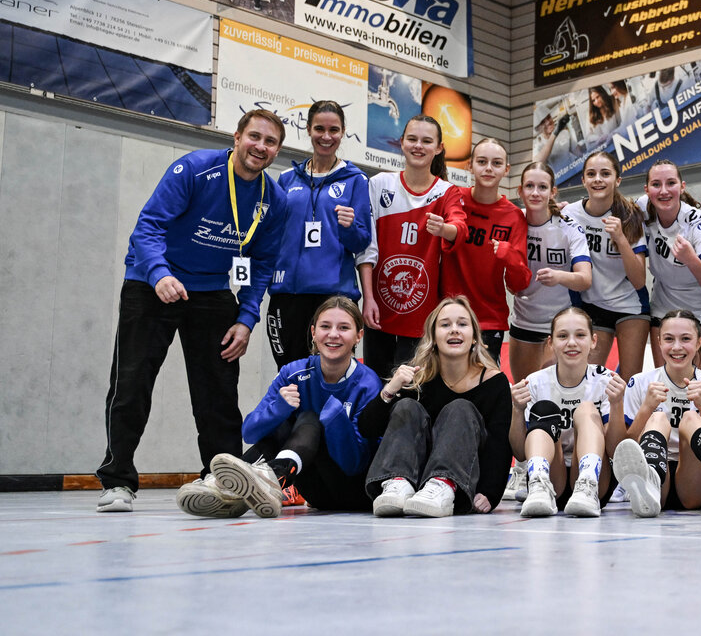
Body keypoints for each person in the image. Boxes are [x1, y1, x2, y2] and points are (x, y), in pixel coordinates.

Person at [96, 110, 289, 513]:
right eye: (254, 136)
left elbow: (262, 264)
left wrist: (246, 319)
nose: (260, 147)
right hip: (153, 284)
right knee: (132, 383)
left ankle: (222, 482)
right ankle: (117, 481)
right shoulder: (195, 169)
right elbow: (148, 226)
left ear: (277, 151)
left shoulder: (274, 199)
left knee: (218, 392)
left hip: (212, 291)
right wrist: (159, 273)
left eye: (270, 142)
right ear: (236, 137)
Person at [178, 297, 383, 517]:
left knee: (311, 419)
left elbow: (355, 464)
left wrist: (335, 419)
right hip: (315, 490)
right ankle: (228, 485)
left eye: (343, 328)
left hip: (353, 490)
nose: (333, 334)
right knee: (284, 421)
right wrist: (279, 409)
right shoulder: (293, 373)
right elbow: (249, 432)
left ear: (358, 336)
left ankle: (256, 481)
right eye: (325, 326)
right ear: (313, 333)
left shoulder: (368, 383)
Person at [361, 297, 513, 517]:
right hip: (416, 484)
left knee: (460, 408)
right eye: (445, 324)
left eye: (462, 324)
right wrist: (390, 389)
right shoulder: (417, 378)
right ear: (432, 338)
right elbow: (367, 428)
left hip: (462, 483)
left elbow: (500, 442)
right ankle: (398, 482)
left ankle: (444, 483)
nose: (454, 330)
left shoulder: (494, 382)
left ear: (474, 337)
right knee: (407, 406)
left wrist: (490, 492)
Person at [614, 311, 701, 517]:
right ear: (659, 342)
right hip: (655, 483)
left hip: (694, 480)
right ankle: (651, 478)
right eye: (669, 339)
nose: (677, 347)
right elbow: (625, 450)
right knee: (658, 418)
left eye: (686, 339)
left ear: (699, 343)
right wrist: (646, 409)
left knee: (691, 417)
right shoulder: (640, 382)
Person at [357, 115, 465, 375]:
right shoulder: (379, 184)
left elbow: (459, 228)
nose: (418, 146)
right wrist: (368, 298)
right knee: (376, 385)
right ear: (401, 143)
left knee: (410, 391)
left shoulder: (447, 192)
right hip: (378, 309)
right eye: (412, 139)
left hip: (422, 316)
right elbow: (367, 247)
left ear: (438, 148)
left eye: (427, 141)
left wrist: (444, 229)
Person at [267, 100, 370, 368]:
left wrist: (349, 227)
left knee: (329, 375)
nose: (326, 136)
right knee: (288, 374)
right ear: (308, 130)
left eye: (333, 130)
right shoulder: (288, 178)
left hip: (333, 297)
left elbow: (362, 242)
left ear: (343, 132)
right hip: (288, 295)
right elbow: (274, 235)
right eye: (319, 129)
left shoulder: (356, 179)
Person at [508, 307, 625, 518]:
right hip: (554, 478)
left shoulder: (606, 381)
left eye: (580, 335)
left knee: (586, 409)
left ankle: (587, 482)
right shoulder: (535, 382)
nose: (571, 342)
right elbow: (520, 453)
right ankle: (539, 486)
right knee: (544, 409)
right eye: (562, 336)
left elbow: (615, 450)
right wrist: (517, 410)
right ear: (551, 343)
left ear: (593, 341)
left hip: (596, 483)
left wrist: (617, 405)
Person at [442, 138, 531, 362]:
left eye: (496, 163)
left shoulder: (514, 217)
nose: (489, 168)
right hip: (446, 314)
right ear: (469, 166)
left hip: (489, 319)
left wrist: (510, 256)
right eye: (482, 162)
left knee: (484, 383)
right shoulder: (453, 198)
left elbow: (518, 284)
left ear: (506, 170)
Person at [563, 151, 649, 380]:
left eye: (605, 174)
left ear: (617, 180)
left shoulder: (630, 215)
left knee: (630, 382)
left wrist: (620, 238)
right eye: (591, 174)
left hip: (630, 305)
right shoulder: (569, 213)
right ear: (583, 180)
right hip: (592, 305)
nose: (598, 179)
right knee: (587, 379)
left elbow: (639, 280)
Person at [509, 161, 592, 381]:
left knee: (558, 394)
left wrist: (559, 276)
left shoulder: (568, 226)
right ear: (520, 191)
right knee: (523, 391)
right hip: (523, 321)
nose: (535, 193)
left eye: (543, 187)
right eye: (529, 186)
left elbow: (585, 279)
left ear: (553, 192)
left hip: (560, 323)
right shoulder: (513, 221)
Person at [639, 159, 701, 371]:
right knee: (665, 383)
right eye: (656, 184)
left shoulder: (697, 222)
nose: (663, 191)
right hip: (662, 308)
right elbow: (607, 205)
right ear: (647, 190)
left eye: (671, 183)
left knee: (699, 384)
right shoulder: (642, 208)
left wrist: (691, 259)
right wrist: (567, 209)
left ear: (682, 186)